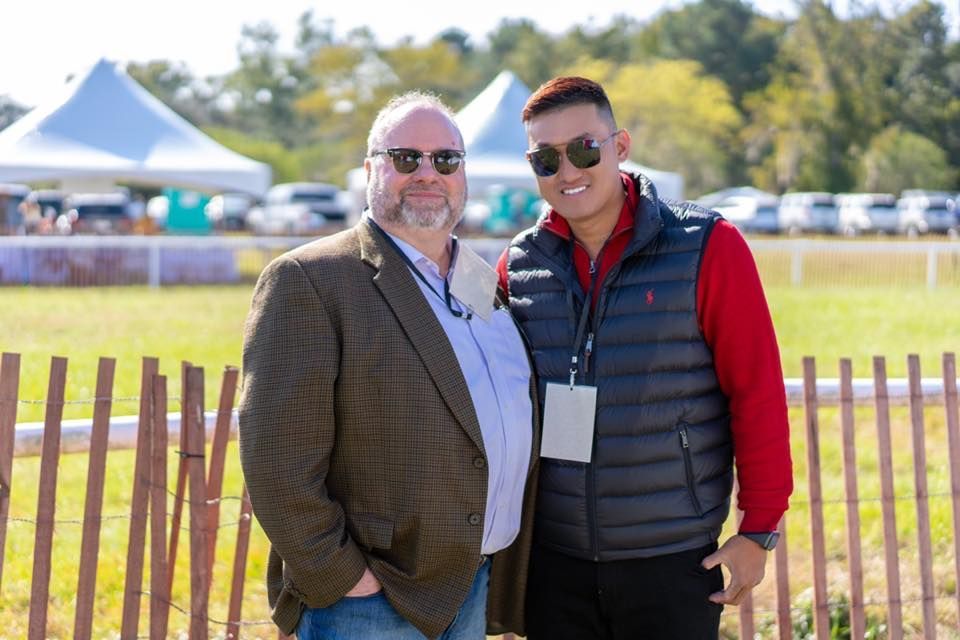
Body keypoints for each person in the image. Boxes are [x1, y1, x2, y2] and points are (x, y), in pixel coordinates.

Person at [495, 76, 793, 639]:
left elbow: (755, 390)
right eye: (545, 158)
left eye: (585, 149)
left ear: (621, 146)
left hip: (673, 559)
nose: (568, 172)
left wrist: (759, 531)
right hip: (552, 564)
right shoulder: (519, 265)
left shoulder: (708, 245)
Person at [239, 92, 538, 640]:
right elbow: (276, 458)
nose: (428, 173)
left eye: (445, 160)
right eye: (406, 158)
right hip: (372, 603)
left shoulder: (481, 279)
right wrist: (345, 579)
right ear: (370, 168)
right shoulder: (310, 280)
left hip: (470, 587)